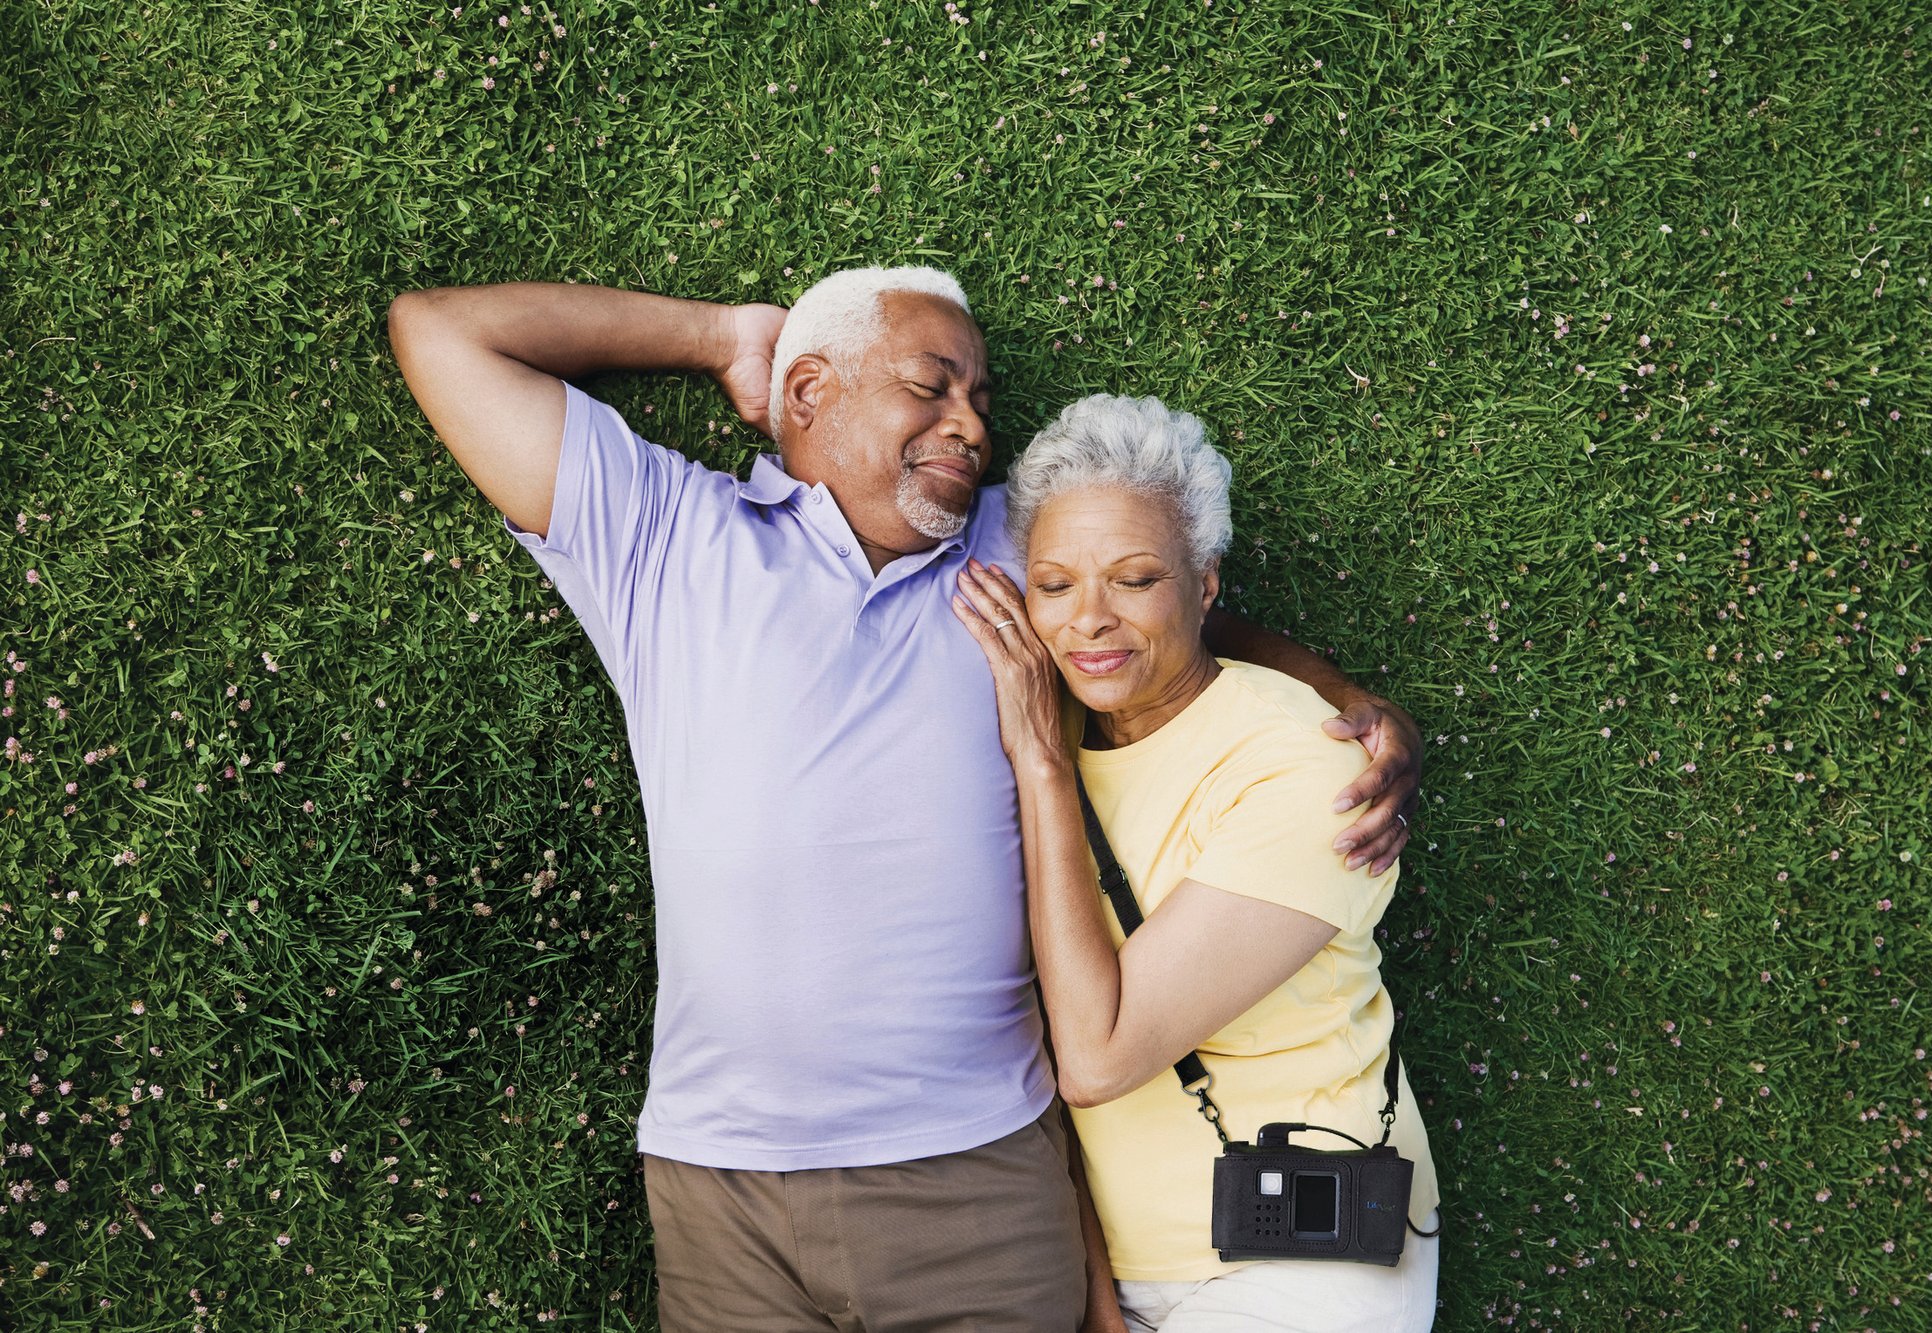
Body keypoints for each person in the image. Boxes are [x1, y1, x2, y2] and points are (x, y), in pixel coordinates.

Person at [386, 268, 1426, 1331]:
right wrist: (722, 339)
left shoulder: (1012, 550)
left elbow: (1153, 602)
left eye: (978, 399)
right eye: (931, 385)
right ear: (808, 395)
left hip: (970, 1172)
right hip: (721, 1177)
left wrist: (1342, 699)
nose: (968, 424)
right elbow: (441, 333)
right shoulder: (660, 534)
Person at [952, 394, 1442, 1332]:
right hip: (1117, 1268)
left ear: (1206, 585)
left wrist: (1041, 763)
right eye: (1053, 585)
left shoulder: (1309, 770)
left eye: (1135, 578)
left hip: (1308, 1270)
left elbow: (1096, 1059)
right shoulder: (1064, 706)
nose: (1088, 620)